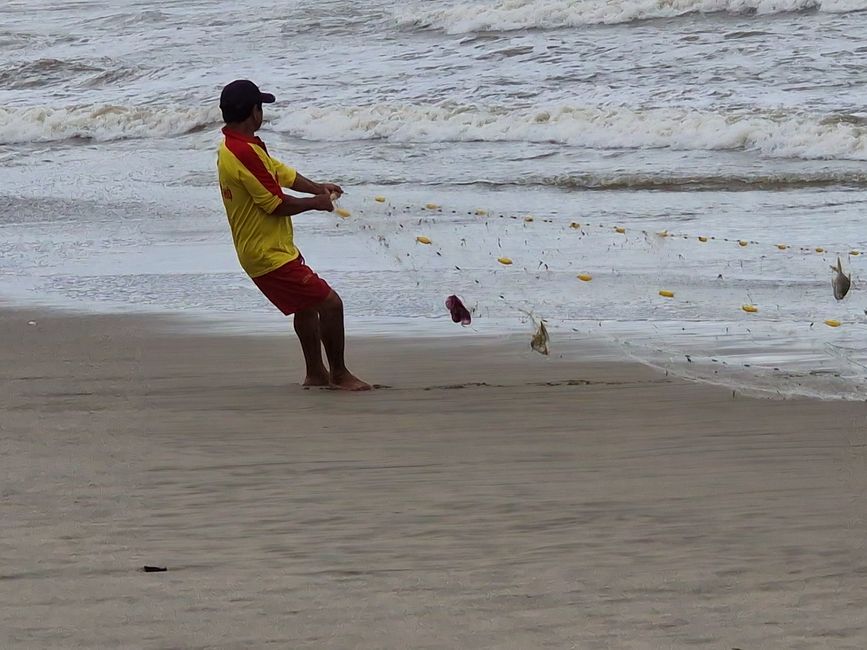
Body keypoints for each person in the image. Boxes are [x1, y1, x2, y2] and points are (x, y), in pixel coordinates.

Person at [216, 79, 371, 391]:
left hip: (272, 247)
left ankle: (316, 373)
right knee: (330, 304)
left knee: (305, 306)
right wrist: (317, 203)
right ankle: (339, 375)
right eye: (260, 106)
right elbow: (275, 204)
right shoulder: (242, 152)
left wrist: (318, 188)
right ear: (252, 112)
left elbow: (280, 172)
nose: (262, 113)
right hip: (265, 254)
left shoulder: (240, 146)